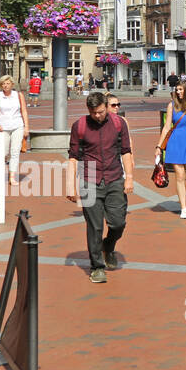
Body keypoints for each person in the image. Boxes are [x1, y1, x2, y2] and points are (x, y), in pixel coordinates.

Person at [66, 92, 134, 283]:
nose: (98, 116)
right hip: (89, 180)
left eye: (101, 112)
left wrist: (129, 178)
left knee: (118, 223)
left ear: (107, 106)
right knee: (94, 227)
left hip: (114, 178)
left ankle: (108, 245)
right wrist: (71, 186)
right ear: (89, 110)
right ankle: (97, 267)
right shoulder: (79, 126)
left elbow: (126, 152)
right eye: (94, 112)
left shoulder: (119, 123)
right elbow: (73, 157)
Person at [155, 80, 186, 221]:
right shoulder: (172, 105)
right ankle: (183, 207)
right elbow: (166, 127)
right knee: (180, 176)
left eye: (181, 89)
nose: (178, 92)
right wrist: (159, 146)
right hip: (176, 141)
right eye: (177, 90)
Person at [0, 76, 28, 206]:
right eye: (3, 84)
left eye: (8, 83)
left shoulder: (18, 95)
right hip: (3, 127)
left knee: (15, 152)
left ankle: (12, 177)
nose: (5, 86)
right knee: (2, 153)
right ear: (1, 85)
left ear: (12, 84)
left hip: (17, 126)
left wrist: (26, 127)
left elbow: (24, 111)